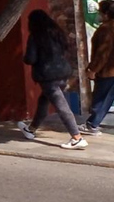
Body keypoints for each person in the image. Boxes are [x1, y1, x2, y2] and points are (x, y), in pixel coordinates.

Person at [17, 10, 88, 149]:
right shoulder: (56, 32)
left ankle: (77, 137)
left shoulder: (36, 37)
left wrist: (24, 58)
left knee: (61, 106)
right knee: (43, 101)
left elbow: (31, 58)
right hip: (63, 72)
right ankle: (31, 129)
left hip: (48, 76)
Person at [78, 0, 114, 136]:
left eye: (100, 12)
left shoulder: (106, 29)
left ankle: (92, 124)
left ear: (106, 14)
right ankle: (93, 123)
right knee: (106, 99)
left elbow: (103, 53)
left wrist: (93, 70)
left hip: (107, 71)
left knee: (100, 98)